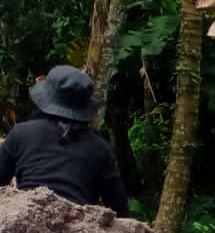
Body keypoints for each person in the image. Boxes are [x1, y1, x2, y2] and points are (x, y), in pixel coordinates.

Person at [0, 65, 128, 215]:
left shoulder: (21, 133)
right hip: (77, 227)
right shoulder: (100, 148)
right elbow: (118, 207)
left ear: (45, 99)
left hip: (25, 219)